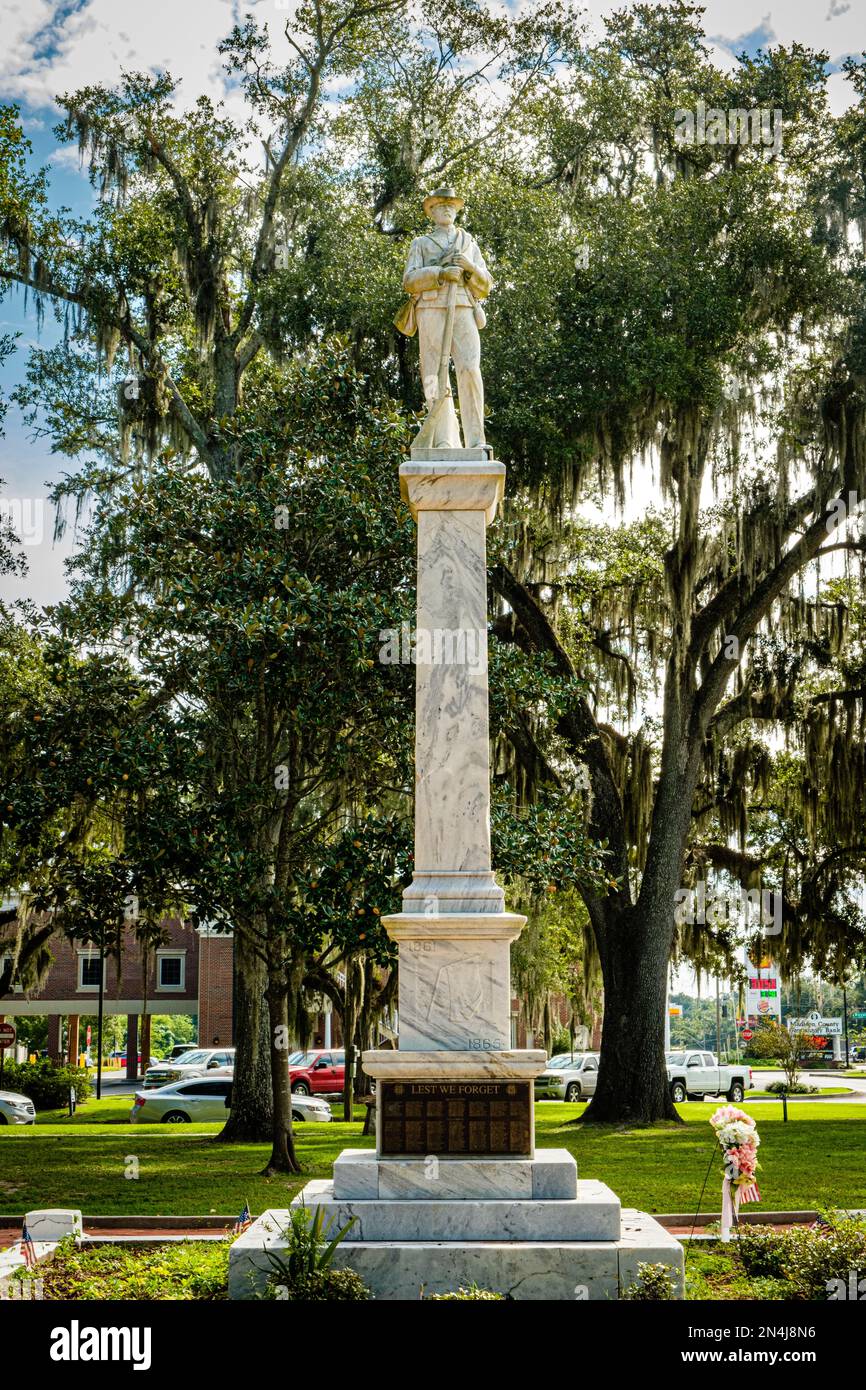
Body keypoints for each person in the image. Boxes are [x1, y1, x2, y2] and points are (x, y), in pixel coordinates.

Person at [399, 186, 492, 449]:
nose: (447, 209)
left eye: (451, 205)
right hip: (430, 308)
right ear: (431, 211)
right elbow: (409, 280)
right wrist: (440, 274)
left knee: (470, 369)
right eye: (441, 205)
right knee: (433, 373)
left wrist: (470, 267)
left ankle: (476, 440)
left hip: (463, 306)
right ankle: (443, 439)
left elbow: (486, 285)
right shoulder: (421, 244)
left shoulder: (468, 242)